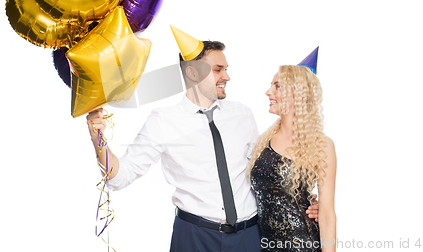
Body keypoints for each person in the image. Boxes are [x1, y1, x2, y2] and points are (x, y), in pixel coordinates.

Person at [87, 28, 319, 251]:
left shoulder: (242, 114)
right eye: (218, 69)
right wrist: (98, 139)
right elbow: (119, 178)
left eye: (226, 69)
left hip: (249, 236)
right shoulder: (163, 121)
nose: (227, 76)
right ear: (192, 73)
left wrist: (301, 202)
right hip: (194, 237)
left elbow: (262, 170)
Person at [248, 52, 336, 252]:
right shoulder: (264, 140)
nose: (268, 92)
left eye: (277, 86)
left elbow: (328, 215)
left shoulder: (321, 145)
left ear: (298, 93)